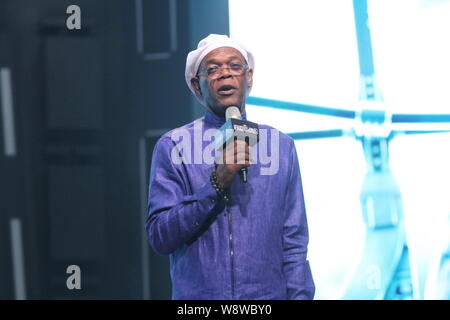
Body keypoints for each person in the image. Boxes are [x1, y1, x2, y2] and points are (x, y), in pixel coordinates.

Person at [145, 34, 315, 299]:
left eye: (235, 66)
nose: (225, 74)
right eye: (212, 69)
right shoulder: (174, 146)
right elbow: (160, 236)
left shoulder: (281, 147)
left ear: (248, 78)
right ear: (197, 85)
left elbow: (293, 241)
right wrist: (216, 183)